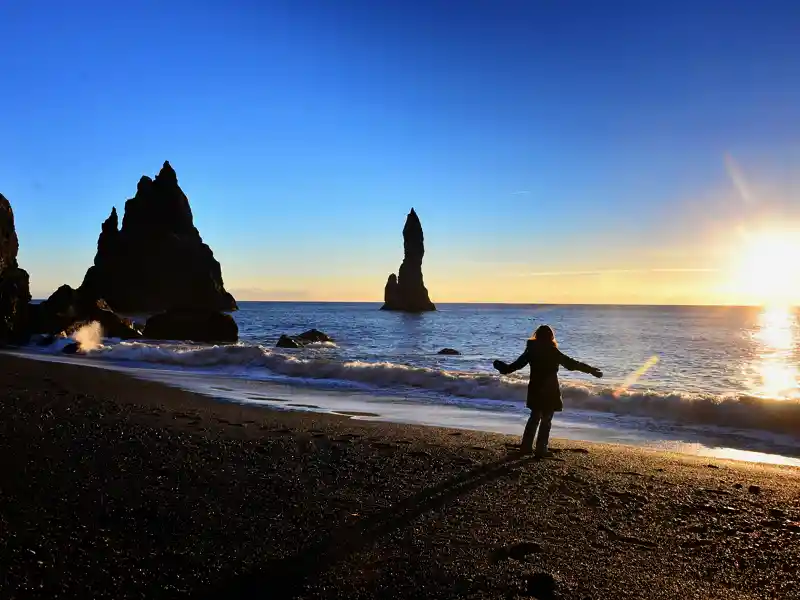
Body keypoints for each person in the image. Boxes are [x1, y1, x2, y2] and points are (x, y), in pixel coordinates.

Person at [493, 325, 602, 458]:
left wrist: (502, 368)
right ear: (551, 337)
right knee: (546, 420)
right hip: (550, 389)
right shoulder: (552, 351)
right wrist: (591, 370)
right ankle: (541, 448)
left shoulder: (531, 351)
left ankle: (526, 447)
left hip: (536, 388)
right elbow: (572, 364)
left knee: (534, 418)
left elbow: (514, 366)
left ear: (536, 336)